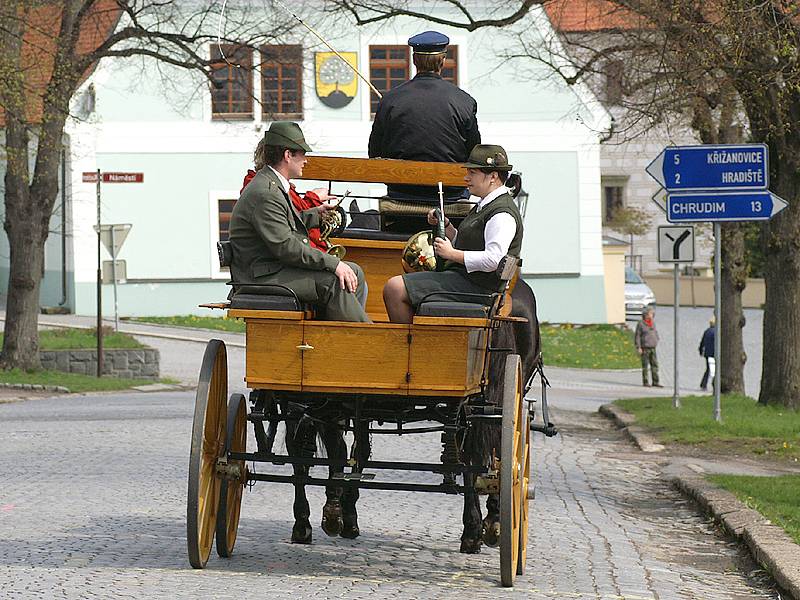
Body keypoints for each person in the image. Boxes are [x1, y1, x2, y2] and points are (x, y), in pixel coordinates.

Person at [229, 121, 369, 322]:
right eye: (302, 153)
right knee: (335, 281)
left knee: (354, 272)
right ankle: (362, 345)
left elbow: (283, 224)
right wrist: (333, 263)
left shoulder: (272, 184)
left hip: (271, 268)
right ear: (288, 155)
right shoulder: (266, 192)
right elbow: (286, 247)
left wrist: (315, 214)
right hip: (262, 277)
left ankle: (335, 340)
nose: (305, 160)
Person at [382, 144, 522, 323]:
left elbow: (494, 260)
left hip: (479, 289)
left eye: (472, 173)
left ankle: (409, 349)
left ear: (493, 176)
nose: (466, 177)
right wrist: (447, 227)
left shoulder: (501, 213)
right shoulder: (487, 205)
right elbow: (471, 244)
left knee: (395, 288)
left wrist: (452, 254)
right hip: (469, 281)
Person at [368, 30, 481, 199]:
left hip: (403, 194)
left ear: (414, 60)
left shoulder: (391, 100)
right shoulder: (464, 101)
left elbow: (375, 152)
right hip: (450, 196)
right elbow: (474, 152)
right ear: (443, 60)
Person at [634, 307, 661, 387]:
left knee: (655, 364)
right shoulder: (641, 324)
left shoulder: (653, 322)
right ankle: (645, 382)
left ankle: (655, 381)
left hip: (653, 347)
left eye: (652, 313)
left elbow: (655, 332)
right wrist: (638, 347)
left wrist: (657, 338)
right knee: (645, 365)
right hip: (645, 347)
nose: (652, 315)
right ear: (646, 315)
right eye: (651, 313)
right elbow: (637, 336)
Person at [699, 317, 716, 390]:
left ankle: (703, 384)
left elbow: (702, 342)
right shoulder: (716, 332)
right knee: (714, 369)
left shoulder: (706, 331)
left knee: (708, 369)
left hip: (707, 353)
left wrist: (700, 351)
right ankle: (714, 384)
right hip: (713, 353)